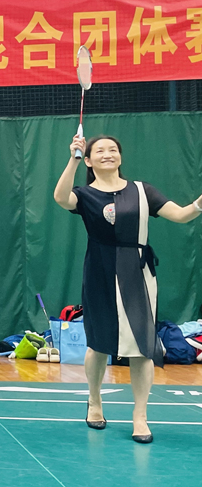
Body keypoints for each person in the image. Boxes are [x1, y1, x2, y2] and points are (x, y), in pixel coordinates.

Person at [53, 134, 202, 444]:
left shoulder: (143, 191)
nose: (108, 154)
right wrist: (73, 159)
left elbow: (180, 214)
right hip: (100, 272)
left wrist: (198, 204)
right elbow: (61, 198)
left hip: (137, 273)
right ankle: (94, 400)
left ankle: (140, 415)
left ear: (120, 157)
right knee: (98, 344)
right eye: (99, 151)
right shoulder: (85, 195)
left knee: (142, 347)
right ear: (89, 160)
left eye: (113, 149)